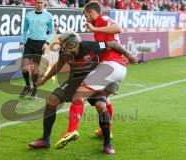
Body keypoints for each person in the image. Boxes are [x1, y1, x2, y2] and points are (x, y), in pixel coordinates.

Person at [29, 31, 137, 154]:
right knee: (51, 101)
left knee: (101, 106)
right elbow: (58, 65)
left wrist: (129, 55)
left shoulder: (90, 46)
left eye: (66, 46)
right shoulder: (64, 51)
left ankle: (107, 143)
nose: (63, 48)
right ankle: (45, 139)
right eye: (62, 45)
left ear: (75, 44)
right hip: (73, 81)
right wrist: (44, 79)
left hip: (92, 81)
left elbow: (112, 43)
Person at [56, 1, 137, 153]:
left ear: (92, 12)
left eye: (85, 15)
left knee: (79, 94)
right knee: (102, 101)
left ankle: (72, 130)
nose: (85, 19)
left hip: (110, 66)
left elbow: (119, 29)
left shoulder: (101, 20)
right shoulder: (99, 31)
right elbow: (110, 43)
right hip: (119, 69)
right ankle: (107, 136)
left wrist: (95, 27)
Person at [19, 0, 55, 99]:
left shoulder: (48, 16)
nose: (39, 4)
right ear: (35, 3)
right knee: (24, 68)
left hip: (40, 44)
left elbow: (52, 32)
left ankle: (35, 88)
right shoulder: (28, 15)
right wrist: (22, 42)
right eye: (37, 2)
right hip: (29, 43)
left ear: (44, 3)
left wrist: (46, 43)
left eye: (41, 2)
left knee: (35, 71)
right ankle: (28, 86)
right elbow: (25, 30)